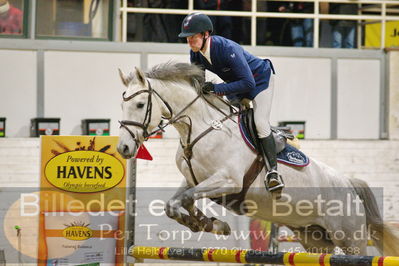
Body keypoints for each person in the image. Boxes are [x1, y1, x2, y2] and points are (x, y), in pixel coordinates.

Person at [178, 12, 284, 192]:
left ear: (205, 34)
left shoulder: (226, 48)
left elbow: (248, 82)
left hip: (260, 81)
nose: (190, 41)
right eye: (187, 38)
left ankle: (273, 173)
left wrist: (217, 89)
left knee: (260, 123)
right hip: (238, 85)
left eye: (193, 37)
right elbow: (199, 84)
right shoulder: (195, 54)